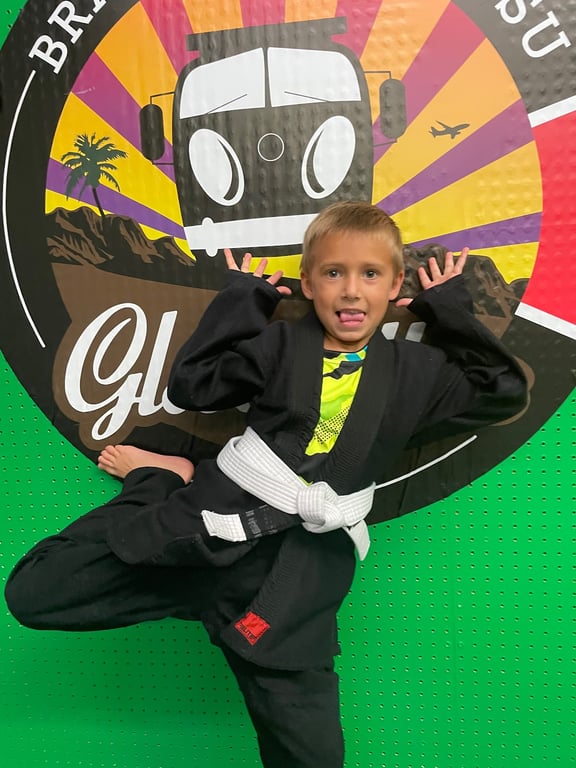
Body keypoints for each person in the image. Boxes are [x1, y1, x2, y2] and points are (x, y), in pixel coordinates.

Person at [4, 202, 527, 768]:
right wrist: (245, 299)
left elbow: (501, 390)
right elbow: (193, 386)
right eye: (334, 273)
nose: (352, 291)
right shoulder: (281, 346)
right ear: (309, 283)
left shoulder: (414, 373)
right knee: (33, 593)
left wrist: (447, 307)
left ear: (395, 284)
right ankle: (159, 478)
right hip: (204, 530)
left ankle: (168, 483)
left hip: (291, 586)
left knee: (314, 759)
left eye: (371, 274)